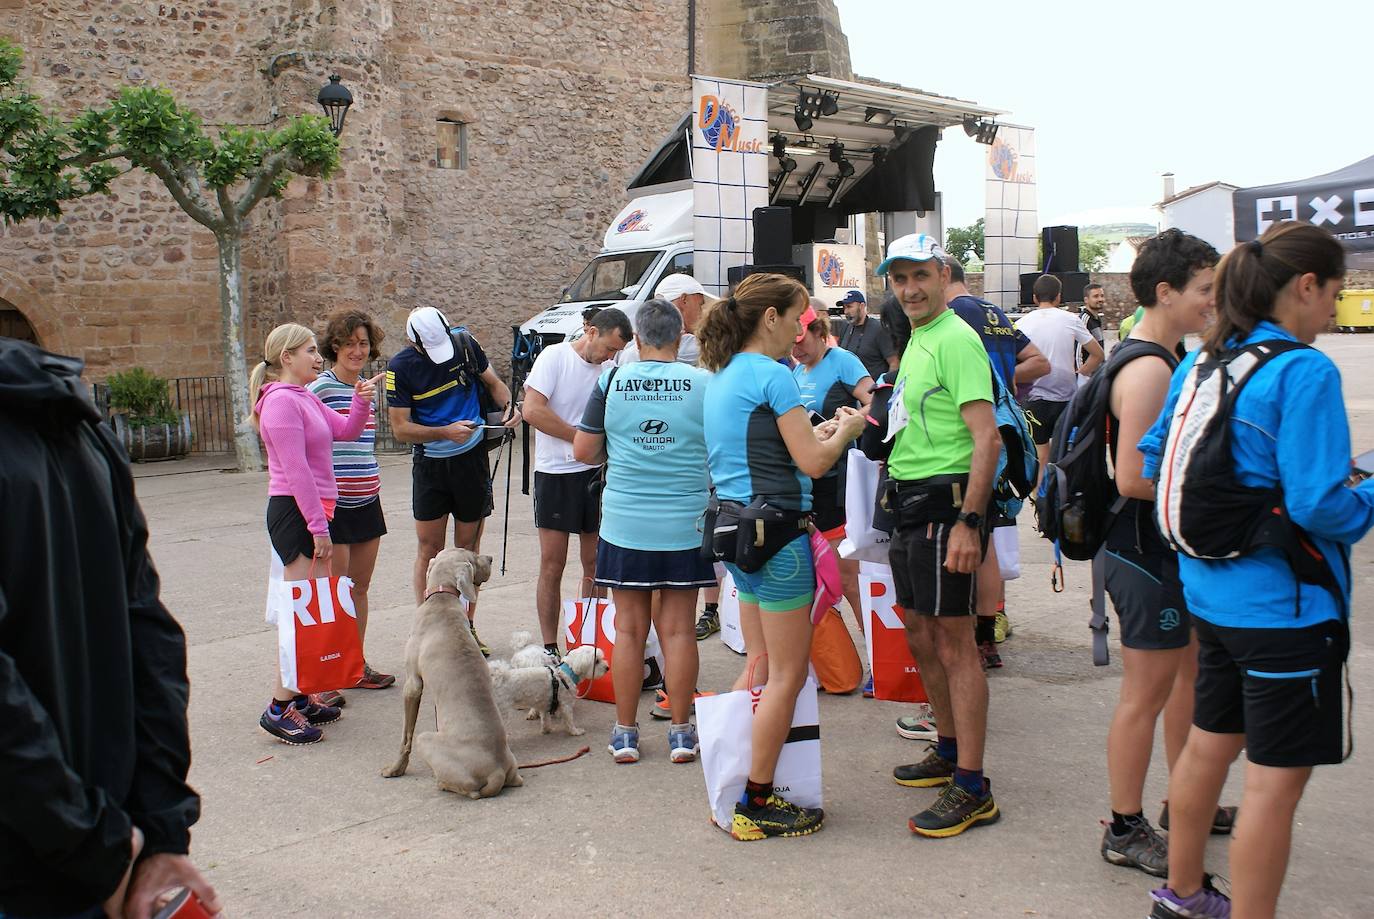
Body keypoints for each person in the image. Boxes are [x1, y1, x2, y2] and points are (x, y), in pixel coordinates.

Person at [1141, 222, 1370, 919]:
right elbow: (1321, 504)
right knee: (1274, 784)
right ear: (1306, 286)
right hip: (1287, 611)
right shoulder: (1303, 370)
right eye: (1334, 293)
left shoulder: (1201, 363)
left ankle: (1181, 895)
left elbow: (1155, 461)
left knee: (1209, 745)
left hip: (1213, 598)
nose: (1334, 309)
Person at [0, 339, 222, 919]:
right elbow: (154, 638)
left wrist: (107, 844)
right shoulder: (76, 422)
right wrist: (154, 830)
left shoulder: (71, 422)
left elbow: (148, 633)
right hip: (103, 845)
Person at [698, 272, 867, 840]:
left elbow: (765, 452)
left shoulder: (721, 376)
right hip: (780, 538)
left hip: (739, 534)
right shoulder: (772, 375)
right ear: (770, 318)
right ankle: (757, 800)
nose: (804, 330)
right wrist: (848, 429)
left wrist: (820, 433)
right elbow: (815, 464)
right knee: (788, 675)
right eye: (798, 318)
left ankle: (736, 783)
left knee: (762, 666)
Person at [1098, 230, 1225, 878]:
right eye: (1205, 288)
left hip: (1158, 551)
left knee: (1185, 676)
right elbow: (1131, 477)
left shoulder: (1163, 355)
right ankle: (1124, 824)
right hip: (1142, 550)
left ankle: (1185, 794)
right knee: (1145, 691)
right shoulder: (1149, 367)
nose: (1213, 300)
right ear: (1167, 291)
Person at [876, 234, 1001, 839]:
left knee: (955, 644)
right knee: (921, 636)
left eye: (920, 275)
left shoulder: (955, 338)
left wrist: (970, 522)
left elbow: (988, 438)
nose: (910, 289)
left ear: (943, 273)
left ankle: (973, 786)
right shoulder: (920, 338)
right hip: (909, 504)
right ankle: (948, 750)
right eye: (899, 280)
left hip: (945, 506)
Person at [573, 299, 714, 764]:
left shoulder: (611, 381)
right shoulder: (703, 384)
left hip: (626, 523)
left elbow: (583, 451)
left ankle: (626, 733)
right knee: (678, 632)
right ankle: (681, 732)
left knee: (629, 632)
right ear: (681, 338)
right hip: (684, 524)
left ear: (636, 339)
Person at [253, 323, 378, 743]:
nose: (318, 357)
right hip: (296, 512)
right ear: (286, 357)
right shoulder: (281, 404)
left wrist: (360, 402)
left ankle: (301, 696)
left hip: (311, 512)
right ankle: (278, 706)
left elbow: (345, 430)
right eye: (309, 350)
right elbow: (297, 472)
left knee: (310, 607)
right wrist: (318, 527)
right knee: (299, 612)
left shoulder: (303, 398)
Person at [386, 307, 518, 656]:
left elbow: (495, 383)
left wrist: (509, 407)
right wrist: (444, 431)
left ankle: (466, 627)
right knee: (429, 550)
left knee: (467, 552)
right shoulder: (399, 367)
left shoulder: (465, 344)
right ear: (414, 343)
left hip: (472, 461)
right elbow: (400, 429)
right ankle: (427, 629)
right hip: (431, 464)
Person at [944, 257, 1050, 668]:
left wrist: (988, 385)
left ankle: (966, 636)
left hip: (970, 430)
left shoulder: (954, 315)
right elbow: (1041, 361)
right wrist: (1005, 383)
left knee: (965, 530)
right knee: (986, 536)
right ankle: (987, 635)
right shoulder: (993, 311)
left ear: (941, 277)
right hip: (1006, 429)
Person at [523, 307, 632, 655]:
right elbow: (532, 410)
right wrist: (581, 440)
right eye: (609, 347)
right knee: (552, 563)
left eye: (616, 351)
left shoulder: (611, 370)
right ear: (591, 331)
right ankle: (550, 645)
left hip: (595, 475)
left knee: (595, 563)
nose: (610, 356)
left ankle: (591, 641)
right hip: (555, 473)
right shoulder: (554, 357)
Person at [310, 308, 394, 691]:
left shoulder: (366, 387)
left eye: (363, 344)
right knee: (335, 591)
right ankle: (329, 673)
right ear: (335, 347)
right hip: (335, 502)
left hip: (367, 496)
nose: (357, 351)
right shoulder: (320, 388)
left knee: (360, 587)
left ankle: (355, 664)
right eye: (349, 344)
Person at [790, 302, 872, 659]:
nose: (796, 348)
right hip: (808, 486)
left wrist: (847, 421)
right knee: (814, 581)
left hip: (837, 486)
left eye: (801, 340)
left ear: (819, 332)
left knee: (848, 579)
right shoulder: (795, 372)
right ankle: (833, 661)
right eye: (791, 343)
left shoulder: (843, 361)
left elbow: (877, 404)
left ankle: (875, 659)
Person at [1014, 274, 1104, 483]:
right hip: (1066, 399)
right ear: (1059, 297)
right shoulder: (1071, 319)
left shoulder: (1021, 323)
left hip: (1033, 401)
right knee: (1066, 457)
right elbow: (1097, 354)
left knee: (1040, 458)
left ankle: (1040, 506)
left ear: (1035, 298)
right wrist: (1079, 373)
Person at [616, 273, 708, 366]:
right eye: (700, 305)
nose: (702, 312)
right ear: (684, 300)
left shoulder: (629, 353)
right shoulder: (695, 347)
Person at [836, 289, 899, 379]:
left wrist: (884, 386)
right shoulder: (846, 327)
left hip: (872, 389)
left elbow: (894, 363)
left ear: (862, 306)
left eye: (849, 307)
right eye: (844, 307)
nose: (846, 311)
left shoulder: (879, 329)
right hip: (848, 388)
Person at [1080, 281, 1107, 359]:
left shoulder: (1097, 319)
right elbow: (1078, 350)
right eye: (1096, 296)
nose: (1100, 299)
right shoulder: (1084, 320)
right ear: (1086, 300)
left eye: (1102, 296)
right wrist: (1081, 371)